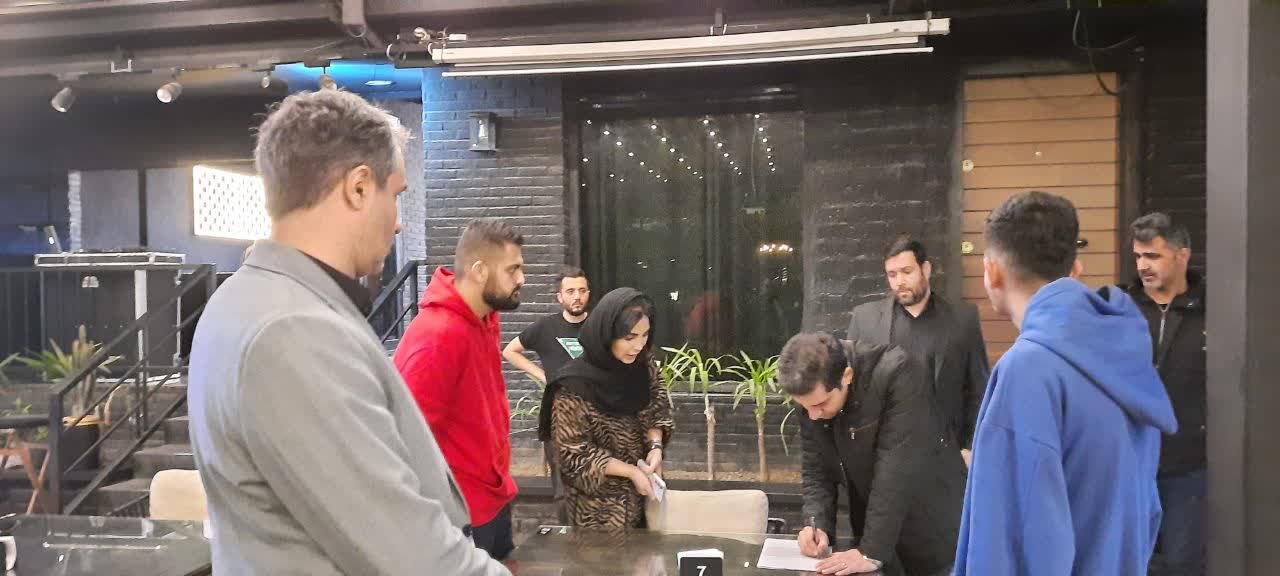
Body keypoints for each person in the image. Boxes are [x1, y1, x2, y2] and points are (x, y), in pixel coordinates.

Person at [188, 90, 508, 575]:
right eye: (395, 196)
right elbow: (411, 556)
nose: (398, 224)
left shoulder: (245, 299)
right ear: (358, 188)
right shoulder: (294, 330)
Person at [955, 191, 1177, 575]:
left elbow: (1011, 546)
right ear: (1075, 268)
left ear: (991, 271)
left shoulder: (1027, 372)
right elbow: (1146, 511)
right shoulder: (1125, 362)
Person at [394, 218, 525, 562]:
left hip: (493, 501)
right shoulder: (438, 335)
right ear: (479, 271)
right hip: (460, 517)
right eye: (512, 270)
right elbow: (403, 439)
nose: (521, 279)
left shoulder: (486, 318)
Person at [784, 332, 965, 576]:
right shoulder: (812, 396)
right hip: (875, 530)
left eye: (821, 404)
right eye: (805, 407)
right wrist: (817, 525)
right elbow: (816, 466)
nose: (813, 415)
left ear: (846, 376)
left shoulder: (898, 372)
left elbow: (895, 470)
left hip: (931, 526)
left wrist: (872, 551)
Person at [536, 288, 674, 528]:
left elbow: (657, 404)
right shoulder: (573, 386)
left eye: (644, 335)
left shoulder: (643, 365)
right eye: (629, 338)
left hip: (646, 499)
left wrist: (655, 446)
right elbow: (573, 454)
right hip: (598, 513)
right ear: (607, 334)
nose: (638, 345)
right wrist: (630, 472)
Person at [847, 236, 989, 467]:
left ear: (926, 269)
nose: (899, 282)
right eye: (892, 274)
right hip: (886, 460)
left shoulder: (963, 319)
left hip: (945, 457)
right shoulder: (865, 320)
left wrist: (971, 447)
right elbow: (852, 391)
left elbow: (979, 390)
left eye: (907, 271)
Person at [1126, 212, 1206, 576]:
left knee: (1184, 564)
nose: (1143, 265)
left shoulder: (1213, 309)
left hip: (1189, 465)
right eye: (1138, 256)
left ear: (1182, 255)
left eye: (1153, 256)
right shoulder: (1119, 309)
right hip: (1128, 463)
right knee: (1129, 562)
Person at [502, 266, 591, 385]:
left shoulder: (599, 324)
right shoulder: (545, 327)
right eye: (570, 291)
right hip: (558, 396)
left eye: (582, 291)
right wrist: (543, 376)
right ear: (560, 297)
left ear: (588, 293)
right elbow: (509, 351)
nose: (577, 297)